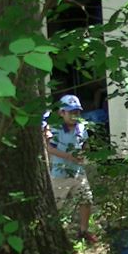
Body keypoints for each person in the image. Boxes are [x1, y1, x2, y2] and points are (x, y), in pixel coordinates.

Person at [43, 94, 98, 243]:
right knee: (56, 205)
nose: (75, 115)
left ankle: (83, 231)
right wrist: (69, 156)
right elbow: (50, 149)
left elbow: (85, 145)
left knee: (86, 200)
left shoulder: (81, 126)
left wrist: (84, 152)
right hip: (60, 173)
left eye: (77, 112)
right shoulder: (56, 128)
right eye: (71, 112)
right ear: (62, 113)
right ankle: (52, 236)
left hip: (78, 172)